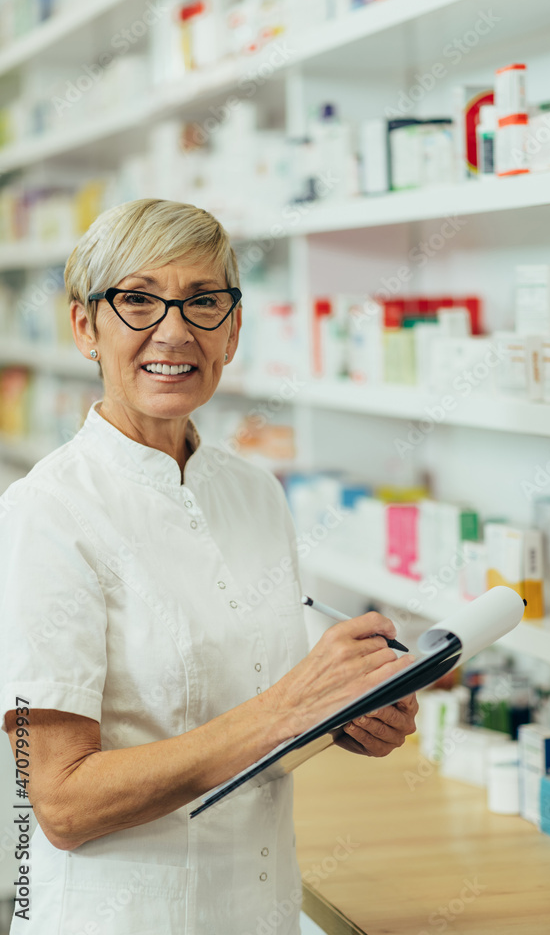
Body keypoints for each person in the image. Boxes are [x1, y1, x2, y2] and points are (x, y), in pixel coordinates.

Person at [0, 198, 418, 935]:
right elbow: (61, 804)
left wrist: (342, 715)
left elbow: (257, 714)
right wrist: (285, 709)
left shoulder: (255, 493)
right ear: (83, 328)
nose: (173, 330)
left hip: (256, 906)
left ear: (232, 329)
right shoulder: (46, 512)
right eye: (136, 300)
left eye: (202, 302)